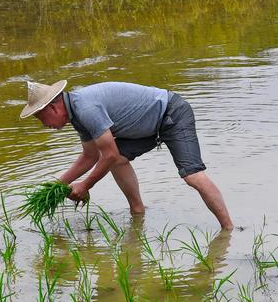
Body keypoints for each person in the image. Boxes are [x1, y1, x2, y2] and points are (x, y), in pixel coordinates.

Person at [19, 79, 234, 230]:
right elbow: (90, 156)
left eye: (40, 118)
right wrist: (55, 186)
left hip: (172, 114)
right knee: (119, 160)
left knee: (192, 176)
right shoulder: (76, 114)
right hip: (147, 127)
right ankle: (137, 211)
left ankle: (229, 228)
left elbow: (108, 154)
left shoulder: (85, 109)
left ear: (54, 109)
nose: (43, 125)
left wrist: (85, 186)